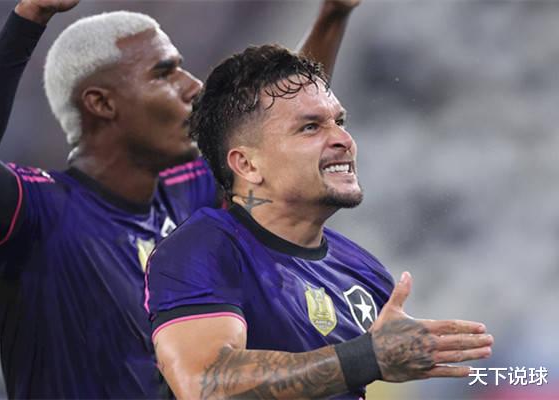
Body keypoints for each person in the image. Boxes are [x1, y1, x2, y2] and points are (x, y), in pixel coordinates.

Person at [0, 0, 362, 397]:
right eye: (164, 73)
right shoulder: (41, 211)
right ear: (102, 103)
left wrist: (332, 17)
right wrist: (29, 17)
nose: (193, 86)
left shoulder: (188, 195)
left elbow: (274, 133)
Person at [145, 45, 494, 399]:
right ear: (247, 165)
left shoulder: (363, 272)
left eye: (339, 122)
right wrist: (368, 356)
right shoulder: (201, 251)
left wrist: (388, 354)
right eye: (310, 128)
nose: (344, 140)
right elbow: (206, 385)